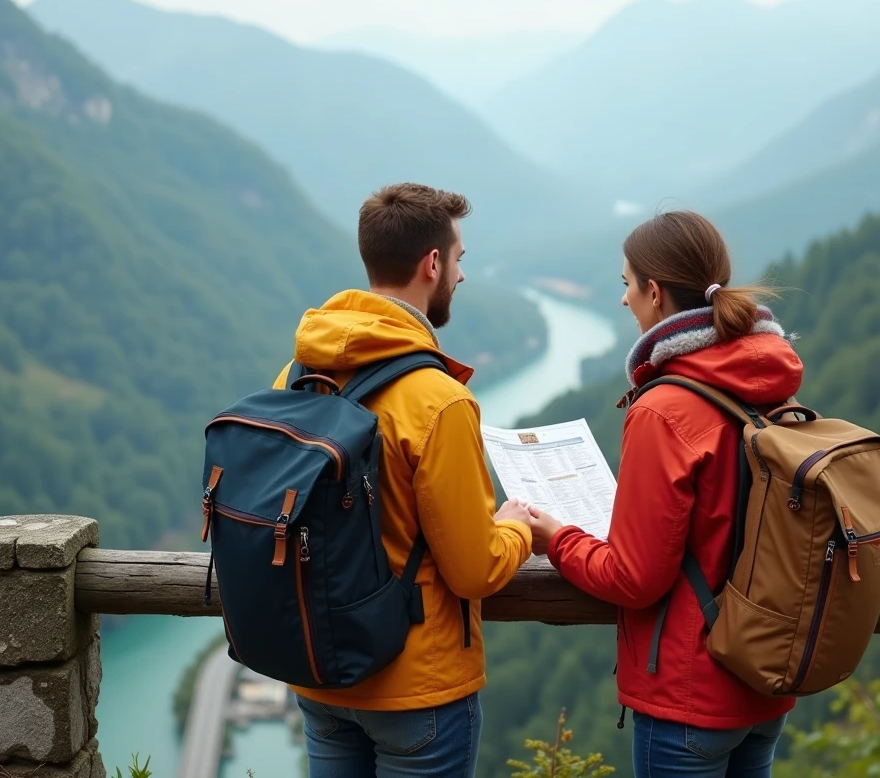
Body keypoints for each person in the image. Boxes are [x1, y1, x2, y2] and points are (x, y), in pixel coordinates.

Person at [528, 209, 802, 778]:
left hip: (690, 694)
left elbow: (634, 579)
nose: (624, 300)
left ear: (654, 292)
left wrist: (556, 537)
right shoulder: (765, 382)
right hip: (763, 681)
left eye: (626, 284)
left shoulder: (665, 407)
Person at [273, 182, 533, 777]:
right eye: (460, 260)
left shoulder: (298, 370)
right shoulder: (439, 400)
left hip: (320, 675)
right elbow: (475, 569)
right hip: (419, 689)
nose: (461, 276)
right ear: (433, 263)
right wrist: (516, 530)